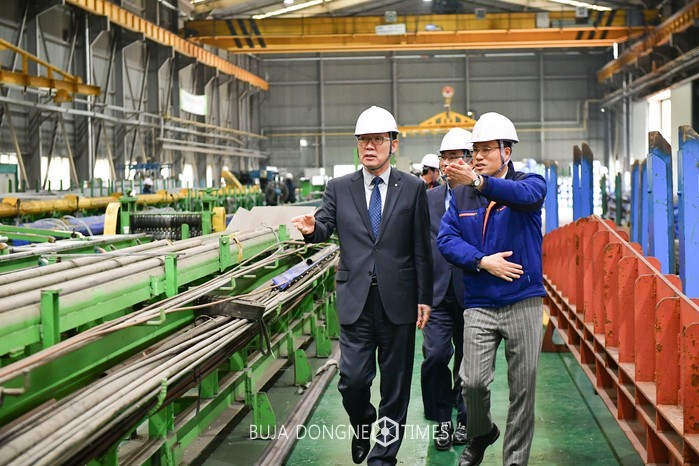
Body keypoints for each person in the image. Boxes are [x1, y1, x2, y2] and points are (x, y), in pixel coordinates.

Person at [291, 105, 432, 466]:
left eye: (377, 139)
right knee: (352, 381)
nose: (369, 146)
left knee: (395, 387)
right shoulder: (339, 188)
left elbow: (421, 246)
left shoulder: (413, 187)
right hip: (355, 299)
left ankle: (383, 458)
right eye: (363, 140)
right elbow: (323, 225)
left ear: (393, 144)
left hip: (398, 300)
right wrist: (312, 228)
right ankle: (362, 421)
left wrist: (425, 297)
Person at [437, 112, 547, 466]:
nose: (479, 156)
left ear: (506, 151)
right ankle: (481, 432)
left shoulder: (529, 184)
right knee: (472, 382)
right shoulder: (461, 196)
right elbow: (446, 240)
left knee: (523, 389)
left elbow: (524, 195)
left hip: (522, 301)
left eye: (487, 149)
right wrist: (482, 261)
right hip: (480, 301)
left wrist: (480, 182)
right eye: (476, 150)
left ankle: (514, 461)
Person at [421, 128, 472, 451]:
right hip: (436, 294)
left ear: (470, 160)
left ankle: (465, 418)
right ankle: (442, 419)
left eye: (456, 157)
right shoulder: (427, 200)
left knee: (470, 363)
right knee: (436, 356)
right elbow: (418, 247)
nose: (449, 163)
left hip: (473, 292)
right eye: (445, 157)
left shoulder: (483, 196)